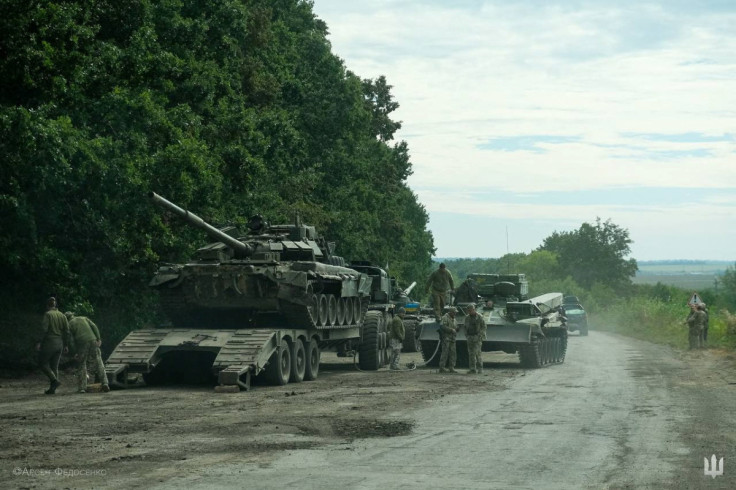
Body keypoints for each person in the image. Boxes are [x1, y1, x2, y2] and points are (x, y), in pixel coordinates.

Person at [66, 312, 110, 393]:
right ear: (73, 315)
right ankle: (105, 383)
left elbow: (71, 340)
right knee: (99, 362)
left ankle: (82, 388)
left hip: (82, 343)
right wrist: (98, 338)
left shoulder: (69, 324)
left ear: (67, 318)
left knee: (82, 364)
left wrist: (75, 352)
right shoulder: (83, 318)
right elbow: (94, 326)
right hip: (93, 340)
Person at [36, 297, 69, 394]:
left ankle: (54, 381)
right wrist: (66, 344)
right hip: (60, 343)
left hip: (50, 342)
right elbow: (67, 331)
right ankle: (52, 389)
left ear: (47, 305)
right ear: (55, 305)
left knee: (42, 363)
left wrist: (39, 342)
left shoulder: (48, 314)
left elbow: (44, 330)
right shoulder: (62, 315)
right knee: (54, 366)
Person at [464, 303, 486, 374]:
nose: (469, 312)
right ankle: (472, 369)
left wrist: (479, 335)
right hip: (470, 337)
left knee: (477, 353)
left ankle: (480, 369)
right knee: (471, 354)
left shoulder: (479, 317)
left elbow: (484, 327)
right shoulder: (467, 317)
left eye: (470, 310)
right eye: (468, 311)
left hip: (477, 337)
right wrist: (466, 335)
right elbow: (465, 327)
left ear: (474, 309)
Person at [438, 307, 458, 373]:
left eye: (455, 313)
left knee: (453, 353)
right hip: (446, 338)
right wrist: (451, 330)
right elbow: (442, 326)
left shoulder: (454, 319)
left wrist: (457, 329)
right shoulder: (445, 317)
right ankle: (442, 367)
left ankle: (451, 367)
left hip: (452, 338)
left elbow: (455, 327)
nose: (455, 314)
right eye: (454, 312)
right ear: (451, 312)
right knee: (445, 353)